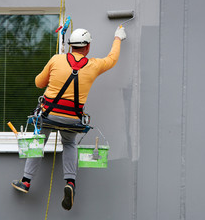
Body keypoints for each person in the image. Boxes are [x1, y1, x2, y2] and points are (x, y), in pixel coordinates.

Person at [11, 26, 126, 211]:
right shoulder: (94, 65)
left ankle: (26, 182)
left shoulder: (57, 59)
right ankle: (70, 183)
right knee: (70, 144)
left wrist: (56, 69)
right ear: (87, 47)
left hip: (48, 116)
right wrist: (118, 38)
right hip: (72, 119)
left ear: (70, 45)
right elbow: (112, 59)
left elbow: (38, 83)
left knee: (38, 141)